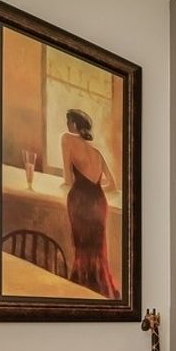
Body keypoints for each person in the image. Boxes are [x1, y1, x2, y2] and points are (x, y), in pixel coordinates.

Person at [61, 109, 119, 299]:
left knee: (82, 247)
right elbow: (113, 185)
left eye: (68, 121)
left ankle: (82, 288)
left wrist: (82, 187)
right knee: (98, 249)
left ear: (74, 124)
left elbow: (68, 180)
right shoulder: (97, 152)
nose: (67, 125)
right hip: (99, 201)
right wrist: (95, 187)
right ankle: (99, 289)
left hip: (80, 201)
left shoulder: (66, 139)